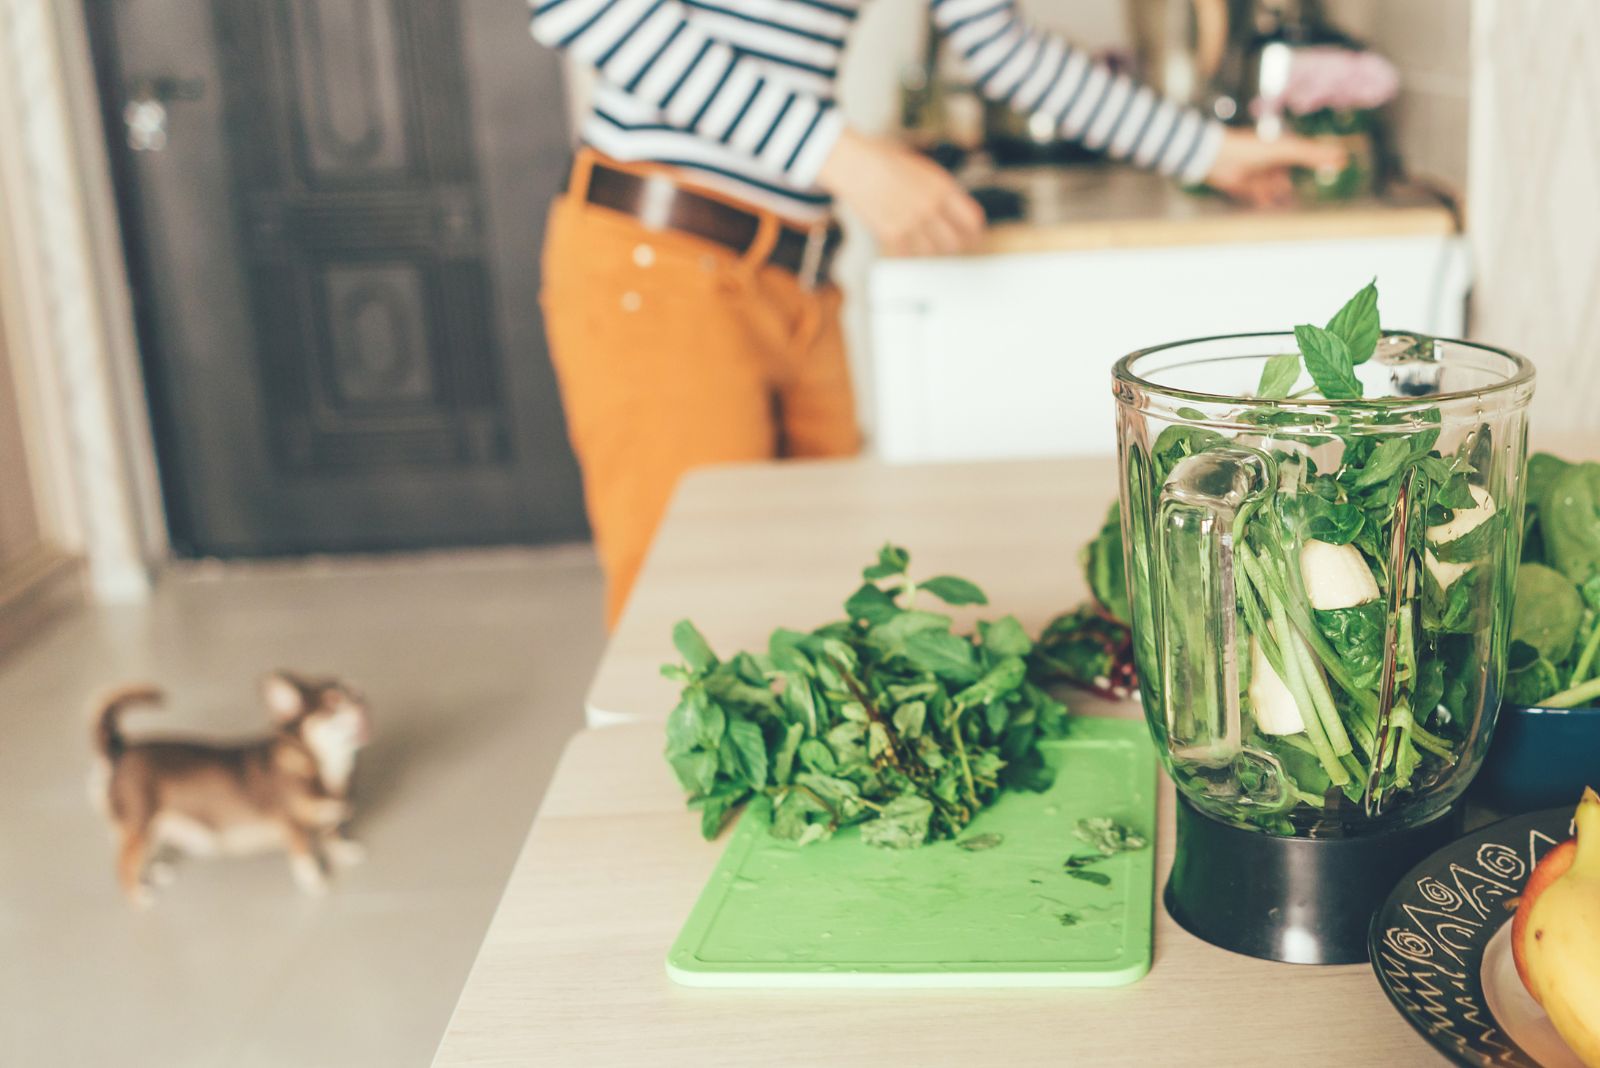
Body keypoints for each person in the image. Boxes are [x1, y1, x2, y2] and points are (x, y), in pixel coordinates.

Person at [531, 0, 1345, 626]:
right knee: (686, 620)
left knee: (810, 605)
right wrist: (842, 158)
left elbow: (1002, 50)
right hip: (658, 259)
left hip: (800, 279)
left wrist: (1209, 153)